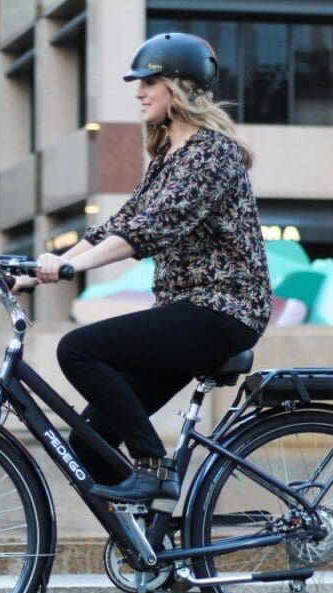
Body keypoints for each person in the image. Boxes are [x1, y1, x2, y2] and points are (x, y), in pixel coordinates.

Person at [17, 32, 271, 504]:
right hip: (185, 311)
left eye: (148, 82)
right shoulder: (166, 160)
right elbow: (117, 225)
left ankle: (153, 465)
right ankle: (151, 552)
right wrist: (35, 273)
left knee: (77, 349)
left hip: (224, 309)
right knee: (87, 443)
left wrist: (70, 272)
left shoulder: (211, 154)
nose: (138, 92)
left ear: (179, 87)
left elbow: (148, 231)